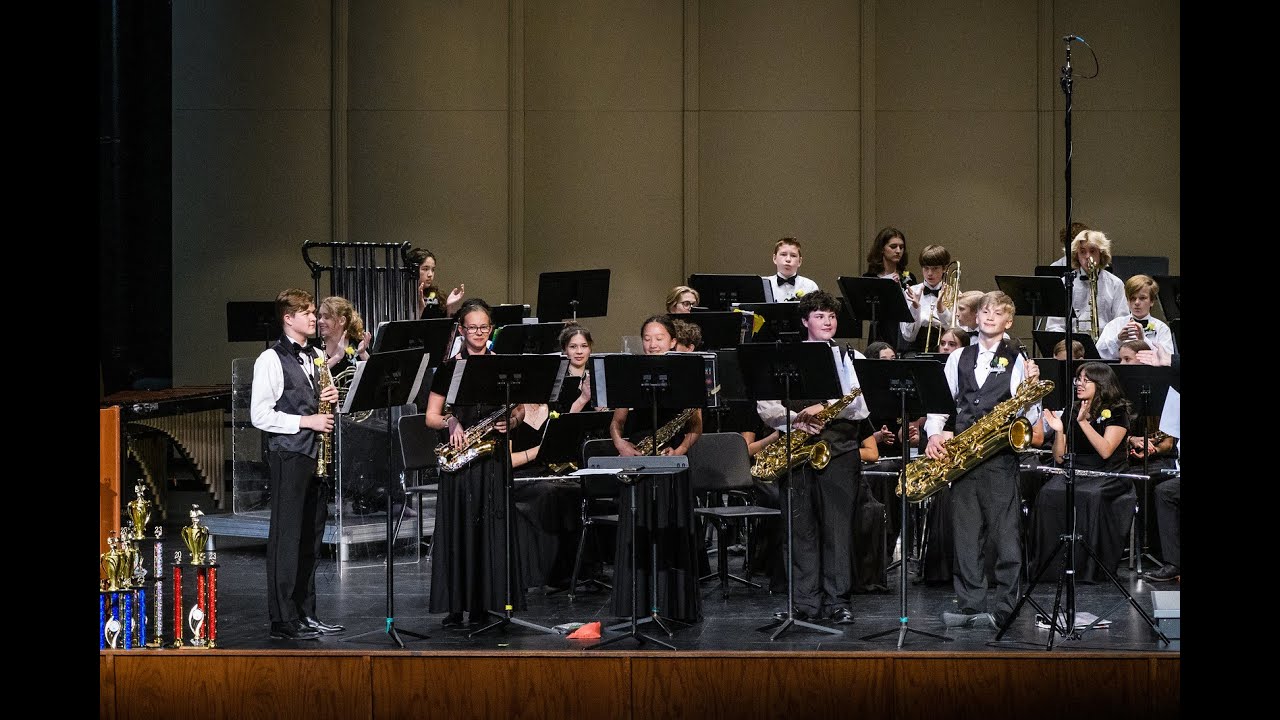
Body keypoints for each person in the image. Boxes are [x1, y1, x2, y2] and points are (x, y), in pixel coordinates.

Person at [924, 291, 1042, 630]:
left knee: (1005, 536)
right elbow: (941, 403)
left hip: (1000, 455)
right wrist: (934, 433)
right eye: (985, 311)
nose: (989, 316)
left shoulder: (1018, 358)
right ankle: (970, 605)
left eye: (998, 313)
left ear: (1008, 322)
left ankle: (1006, 607)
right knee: (965, 535)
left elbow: (1028, 414)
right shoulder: (958, 355)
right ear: (976, 318)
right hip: (962, 455)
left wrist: (1030, 389)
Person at [755, 291, 872, 623]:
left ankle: (838, 601)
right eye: (820, 316)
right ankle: (805, 602)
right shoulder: (786, 355)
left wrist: (824, 407)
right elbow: (765, 406)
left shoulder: (851, 356)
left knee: (838, 528)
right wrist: (794, 420)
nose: (828, 321)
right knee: (799, 529)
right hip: (798, 452)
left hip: (840, 451)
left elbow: (861, 403)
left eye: (831, 316)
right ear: (805, 321)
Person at [423, 298, 527, 628]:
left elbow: (520, 409)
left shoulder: (504, 365)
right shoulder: (449, 368)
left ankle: (489, 603)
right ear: (462, 330)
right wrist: (451, 422)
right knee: (460, 531)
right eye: (472, 327)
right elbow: (430, 417)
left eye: (484, 327)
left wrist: (512, 421)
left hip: (493, 458)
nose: (479, 332)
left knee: (491, 532)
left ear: (491, 329)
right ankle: (456, 606)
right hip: (462, 461)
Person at [250, 288, 343, 641]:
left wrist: (329, 398)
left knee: (310, 538)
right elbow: (260, 414)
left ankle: (306, 613)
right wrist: (306, 423)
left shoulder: (317, 354)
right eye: (306, 313)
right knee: (287, 538)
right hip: (290, 453)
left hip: (315, 454)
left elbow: (318, 400)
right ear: (288, 318)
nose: (313, 319)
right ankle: (283, 619)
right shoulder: (270, 359)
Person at [608, 314, 704, 622]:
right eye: (647, 338)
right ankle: (633, 607)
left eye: (659, 338)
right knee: (637, 532)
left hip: (672, 463)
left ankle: (674, 607)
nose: (652, 344)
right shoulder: (630, 373)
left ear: (673, 341)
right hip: (638, 461)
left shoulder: (686, 373)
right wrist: (622, 446)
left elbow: (695, 425)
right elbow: (617, 423)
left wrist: (680, 449)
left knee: (671, 530)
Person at [1033, 361, 1135, 584]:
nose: (1079, 384)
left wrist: (1084, 423)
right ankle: (1052, 569)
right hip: (1077, 468)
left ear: (1101, 384)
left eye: (1085, 380)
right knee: (1048, 493)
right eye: (1078, 379)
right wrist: (1060, 432)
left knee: (1091, 496)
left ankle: (1088, 569)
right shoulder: (1073, 407)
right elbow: (1060, 457)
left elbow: (1106, 450)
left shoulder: (1117, 411)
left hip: (1108, 472)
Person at [1044, 230, 1128, 337]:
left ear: (1101, 253)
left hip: (1106, 348)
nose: (1087, 256)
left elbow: (1121, 323)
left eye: (1092, 251)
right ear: (1076, 255)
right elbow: (1054, 325)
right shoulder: (1065, 283)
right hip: (1073, 348)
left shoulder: (1115, 284)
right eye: (1082, 252)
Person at [1095, 274, 1177, 360]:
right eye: (1132, 298)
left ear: (1152, 301)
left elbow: (1167, 358)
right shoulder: (1115, 325)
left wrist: (1143, 340)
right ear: (1127, 301)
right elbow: (1099, 354)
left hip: (1151, 373)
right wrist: (1118, 340)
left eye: (1142, 298)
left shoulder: (1161, 328)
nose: (1137, 302)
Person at [901, 245, 955, 354]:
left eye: (935, 268)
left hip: (944, 349)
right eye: (926, 268)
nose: (929, 273)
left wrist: (942, 311)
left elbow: (957, 333)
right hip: (916, 348)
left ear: (944, 268)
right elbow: (908, 336)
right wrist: (915, 309)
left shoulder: (954, 293)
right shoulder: (910, 292)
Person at [408, 247, 465, 320]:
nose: (430, 274)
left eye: (433, 269)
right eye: (425, 269)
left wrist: (449, 307)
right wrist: (420, 308)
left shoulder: (438, 296)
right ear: (412, 270)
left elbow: (446, 328)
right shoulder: (400, 297)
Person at [553, 323, 596, 414]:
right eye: (573, 347)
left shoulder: (595, 376)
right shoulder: (557, 382)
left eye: (584, 346)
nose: (579, 352)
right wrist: (583, 398)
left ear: (590, 349)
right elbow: (559, 421)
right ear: (565, 350)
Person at [762, 237, 819, 302]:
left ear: (800, 261)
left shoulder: (810, 286)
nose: (788, 259)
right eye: (783, 254)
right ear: (774, 258)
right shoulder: (762, 285)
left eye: (793, 255)